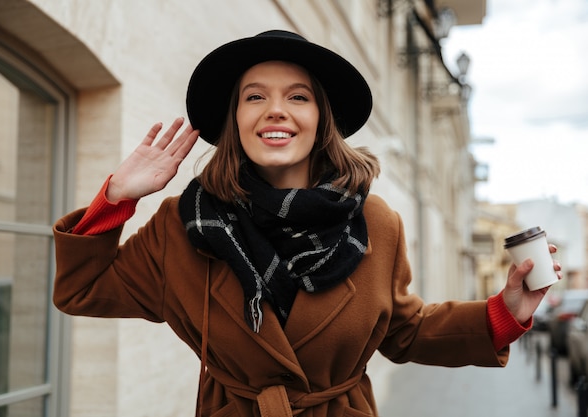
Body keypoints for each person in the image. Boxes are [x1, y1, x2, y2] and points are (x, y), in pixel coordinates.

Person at [52, 30, 562, 417]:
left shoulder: (375, 222)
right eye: (255, 97)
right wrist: (118, 198)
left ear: (322, 119)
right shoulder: (182, 223)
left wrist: (504, 312)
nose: (276, 111)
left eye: (298, 97)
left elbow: (406, 331)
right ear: (235, 120)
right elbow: (82, 289)